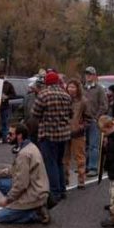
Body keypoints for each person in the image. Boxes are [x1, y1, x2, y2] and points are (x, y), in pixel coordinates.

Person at [0, 124, 51, 225]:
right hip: (37, 189)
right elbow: (14, 170)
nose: (8, 136)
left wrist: (7, 200)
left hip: (34, 194)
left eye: (11, 134)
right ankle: (27, 207)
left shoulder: (24, 154)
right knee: (0, 180)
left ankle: (35, 213)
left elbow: (21, 184)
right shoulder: (30, 146)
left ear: (19, 136)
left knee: (0, 217)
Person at [32, 71, 72, 201]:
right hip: (64, 134)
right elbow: (71, 114)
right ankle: (62, 189)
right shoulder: (66, 95)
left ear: (46, 82)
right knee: (59, 162)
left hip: (48, 134)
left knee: (50, 163)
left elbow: (35, 114)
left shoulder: (43, 95)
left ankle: (54, 192)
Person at [63, 79, 89, 189]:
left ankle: (81, 180)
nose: (71, 89)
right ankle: (65, 179)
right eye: (69, 87)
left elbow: (88, 117)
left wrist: (81, 126)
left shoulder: (83, 101)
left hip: (77, 132)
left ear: (78, 88)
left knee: (80, 157)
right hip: (64, 131)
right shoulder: (64, 99)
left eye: (73, 87)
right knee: (64, 158)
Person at [84, 66, 108, 177]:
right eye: (86, 74)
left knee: (94, 145)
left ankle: (93, 167)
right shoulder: (82, 88)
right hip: (83, 121)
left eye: (90, 74)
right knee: (85, 145)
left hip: (94, 121)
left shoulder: (99, 89)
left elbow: (104, 105)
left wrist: (96, 117)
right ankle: (85, 166)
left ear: (94, 76)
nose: (88, 76)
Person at [0, 76, 17, 143]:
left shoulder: (8, 84)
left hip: (4, 106)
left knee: (5, 123)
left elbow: (14, 95)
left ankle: (5, 138)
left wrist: (7, 97)